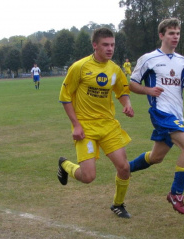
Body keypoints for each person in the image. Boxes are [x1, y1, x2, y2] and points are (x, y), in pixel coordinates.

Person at [57, 27, 135, 219]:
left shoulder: (115, 70)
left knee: (124, 168)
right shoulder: (80, 67)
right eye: (105, 45)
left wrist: (127, 104)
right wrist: (76, 125)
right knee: (88, 177)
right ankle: (65, 165)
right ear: (95, 45)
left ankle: (118, 204)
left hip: (108, 126)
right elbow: (65, 97)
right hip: (86, 128)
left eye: (112, 45)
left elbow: (122, 91)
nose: (110, 49)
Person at [127, 18, 184, 215]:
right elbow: (131, 84)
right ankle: (176, 195)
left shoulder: (181, 60)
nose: (175, 37)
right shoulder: (148, 59)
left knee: (156, 157)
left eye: (177, 33)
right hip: (161, 113)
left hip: (177, 114)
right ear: (162, 35)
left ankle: (125, 168)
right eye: (171, 33)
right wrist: (148, 90)